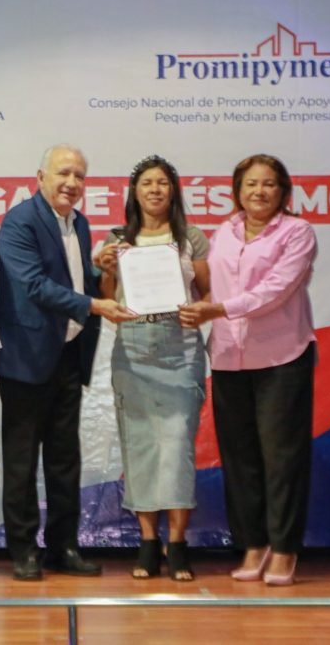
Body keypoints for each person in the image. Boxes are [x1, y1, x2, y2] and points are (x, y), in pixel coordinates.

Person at [0, 144, 133, 581]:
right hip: (26, 357)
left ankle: (63, 547)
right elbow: (34, 286)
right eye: (63, 173)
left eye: (79, 176)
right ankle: (23, 550)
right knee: (21, 460)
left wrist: (99, 271)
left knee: (64, 457)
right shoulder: (20, 221)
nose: (72, 183)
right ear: (41, 177)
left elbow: (73, 282)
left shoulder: (82, 224)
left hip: (69, 354)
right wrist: (94, 304)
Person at [179, 154, 316, 587]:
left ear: (283, 191)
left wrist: (218, 309)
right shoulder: (225, 232)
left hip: (281, 358)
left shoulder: (297, 232)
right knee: (240, 459)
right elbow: (210, 284)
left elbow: (276, 290)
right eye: (250, 184)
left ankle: (285, 547)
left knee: (282, 459)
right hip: (228, 358)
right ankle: (253, 543)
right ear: (237, 190)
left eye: (269, 184)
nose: (259, 191)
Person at [94, 154, 209, 581]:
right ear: (134, 192)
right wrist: (106, 270)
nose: (155, 189)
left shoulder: (191, 237)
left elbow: (207, 293)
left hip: (180, 348)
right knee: (140, 445)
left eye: (162, 182)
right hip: (133, 348)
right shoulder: (116, 239)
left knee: (177, 445)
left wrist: (195, 310)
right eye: (147, 183)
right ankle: (147, 542)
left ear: (173, 191)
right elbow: (108, 299)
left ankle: (176, 543)